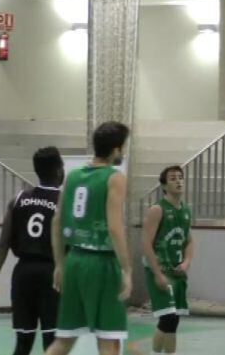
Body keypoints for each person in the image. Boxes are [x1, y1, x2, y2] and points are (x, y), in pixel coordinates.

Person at [46, 121, 132, 355]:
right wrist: (126, 269)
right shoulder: (114, 178)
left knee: (64, 341)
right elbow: (115, 228)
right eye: (122, 148)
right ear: (115, 149)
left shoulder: (73, 176)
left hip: (74, 261)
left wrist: (60, 264)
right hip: (101, 264)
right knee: (109, 342)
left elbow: (56, 221)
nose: (122, 152)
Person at [0, 147, 64, 355]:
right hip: (52, 274)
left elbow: (3, 245)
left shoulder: (18, 199)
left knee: (23, 342)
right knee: (53, 342)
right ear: (58, 170)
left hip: (23, 274)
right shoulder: (64, 201)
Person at [142, 165, 194, 355]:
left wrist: (187, 262)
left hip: (176, 270)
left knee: (174, 320)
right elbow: (146, 243)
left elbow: (189, 241)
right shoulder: (157, 210)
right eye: (173, 178)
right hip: (159, 269)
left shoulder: (186, 210)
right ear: (164, 185)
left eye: (180, 177)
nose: (178, 181)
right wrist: (157, 273)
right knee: (168, 318)